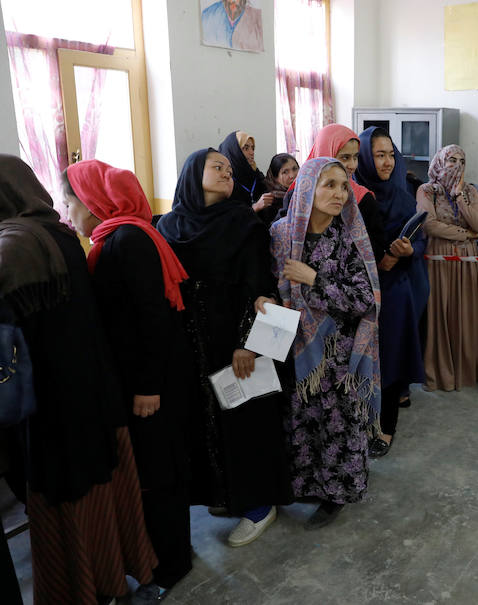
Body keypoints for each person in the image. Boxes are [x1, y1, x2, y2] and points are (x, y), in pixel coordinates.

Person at [0, 155, 157, 605]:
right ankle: (118, 578)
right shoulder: (60, 234)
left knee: (70, 506)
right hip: (93, 391)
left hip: (53, 406)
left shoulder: (15, 245)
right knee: (106, 497)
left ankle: (87, 589)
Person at [62, 160, 193, 603]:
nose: (68, 212)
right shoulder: (124, 236)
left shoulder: (127, 241)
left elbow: (151, 319)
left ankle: (170, 564)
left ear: (96, 203)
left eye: (71, 202)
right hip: (149, 376)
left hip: (149, 383)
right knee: (158, 469)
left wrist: (146, 386)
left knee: (157, 474)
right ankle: (168, 555)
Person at [157, 149, 290, 547]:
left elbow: (258, 285)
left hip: (234, 339)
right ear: (192, 174)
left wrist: (247, 344)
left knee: (246, 419)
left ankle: (258, 505)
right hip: (192, 342)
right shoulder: (169, 225)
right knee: (205, 422)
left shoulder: (242, 221)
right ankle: (225, 494)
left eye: (230, 170)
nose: (227, 174)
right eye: (218, 167)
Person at [270, 157, 380, 529]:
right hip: (292, 342)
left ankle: (338, 492)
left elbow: (366, 299)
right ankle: (304, 486)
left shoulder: (349, 239)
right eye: (329, 184)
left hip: (338, 351)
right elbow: (268, 283)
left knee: (339, 423)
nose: (339, 193)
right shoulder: (280, 234)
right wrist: (262, 298)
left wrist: (313, 279)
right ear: (307, 189)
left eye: (343, 185)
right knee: (301, 420)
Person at [354, 127, 428, 456]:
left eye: (390, 155)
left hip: (396, 287)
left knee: (391, 356)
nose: (386, 162)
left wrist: (407, 250)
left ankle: (386, 427)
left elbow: (420, 238)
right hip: (362, 289)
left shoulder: (401, 195)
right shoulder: (352, 196)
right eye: (378, 155)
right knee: (364, 358)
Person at [416, 145, 478, 391]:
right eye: (451, 161)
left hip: (468, 259)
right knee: (443, 311)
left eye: (461, 160)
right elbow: (429, 225)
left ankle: (467, 370)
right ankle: (442, 374)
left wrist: (459, 197)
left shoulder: (469, 191)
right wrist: (464, 234)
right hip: (440, 258)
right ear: (440, 162)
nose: (456, 166)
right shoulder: (427, 190)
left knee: (466, 311)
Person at [305, 123, 386, 263]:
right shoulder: (301, 193)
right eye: (345, 158)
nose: (353, 165)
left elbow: (376, 250)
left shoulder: (363, 199)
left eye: (355, 157)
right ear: (324, 154)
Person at [219, 130, 274, 213]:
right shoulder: (224, 181)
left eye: (253, 148)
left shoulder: (257, 176)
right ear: (234, 151)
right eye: (246, 148)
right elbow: (227, 218)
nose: (252, 152)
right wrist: (255, 208)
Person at [263, 152, 299, 224]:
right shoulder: (269, 202)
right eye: (285, 172)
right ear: (275, 178)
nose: (292, 175)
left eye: (295, 169)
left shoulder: (306, 193)